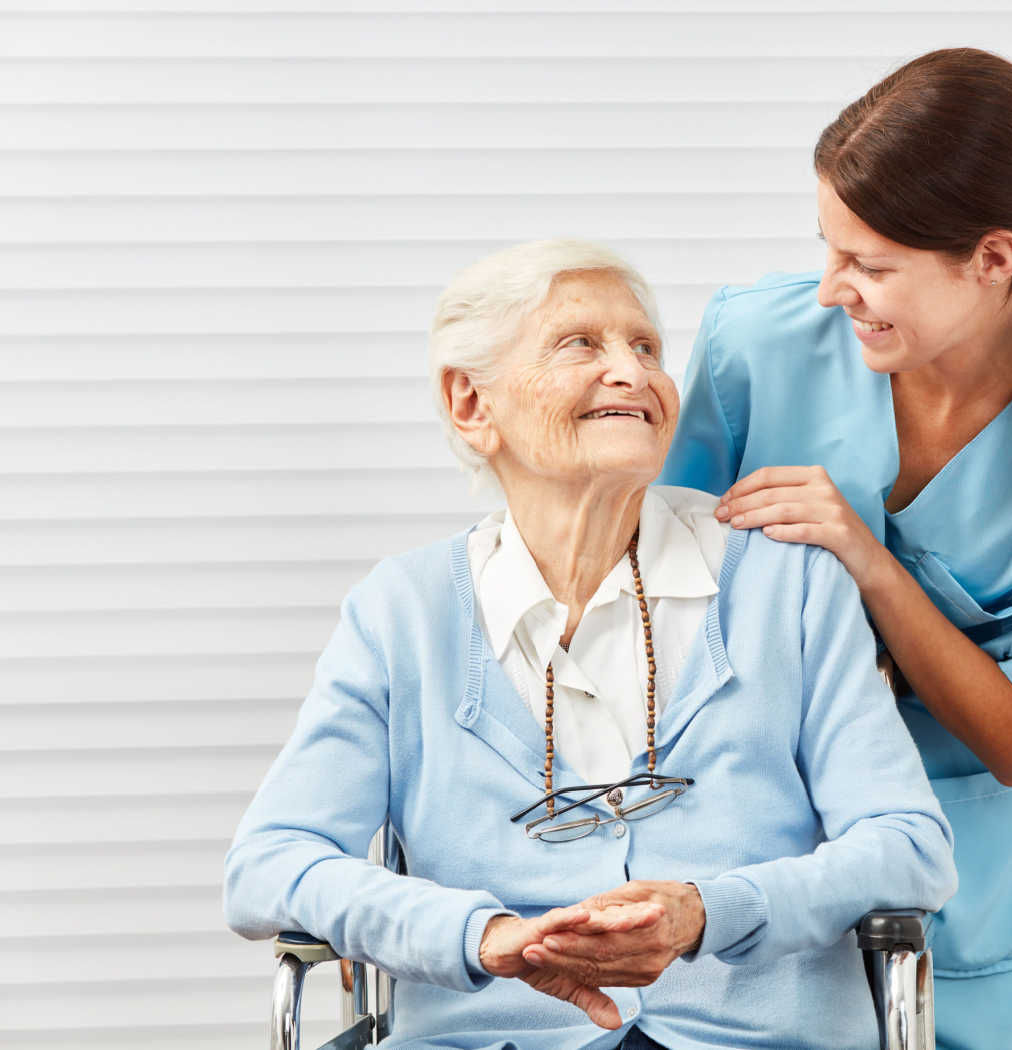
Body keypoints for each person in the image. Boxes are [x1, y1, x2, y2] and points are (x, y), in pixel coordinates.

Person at [223, 239, 957, 1050]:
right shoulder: (403, 612)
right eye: (581, 344)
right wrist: (478, 935)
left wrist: (713, 912)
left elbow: (908, 846)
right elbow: (269, 862)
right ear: (471, 403)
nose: (633, 373)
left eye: (646, 348)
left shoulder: (788, 585)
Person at [658, 48, 1012, 1050]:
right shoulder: (754, 345)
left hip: (975, 913)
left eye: (871, 266)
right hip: (761, 869)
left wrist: (867, 563)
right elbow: (662, 601)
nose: (828, 290)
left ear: (992, 259)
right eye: (827, 248)